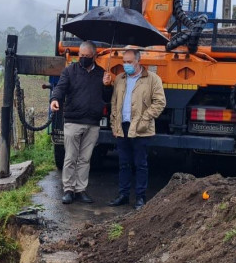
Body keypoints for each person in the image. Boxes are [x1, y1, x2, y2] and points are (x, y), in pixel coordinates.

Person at [104, 47, 166, 209]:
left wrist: (145, 119)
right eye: (124, 62)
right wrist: (113, 124)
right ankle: (123, 195)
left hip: (141, 128)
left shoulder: (152, 79)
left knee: (140, 164)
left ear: (138, 61)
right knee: (123, 163)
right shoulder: (119, 79)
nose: (126, 65)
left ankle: (140, 198)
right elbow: (114, 104)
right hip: (122, 127)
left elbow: (160, 102)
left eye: (129, 62)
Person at [49, 40, 109, 204]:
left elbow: (107, 97)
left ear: (94, 56)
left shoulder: (101, 74)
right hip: (73, 120)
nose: (83, 58)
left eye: (87, 56)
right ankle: (68, 189)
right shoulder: (70, 71)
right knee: (70, 157)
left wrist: (107, 85)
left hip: (92, 123)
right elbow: (60, 88)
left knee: (85, 158)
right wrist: (55, 99)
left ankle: (80, 189)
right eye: (81, 55)